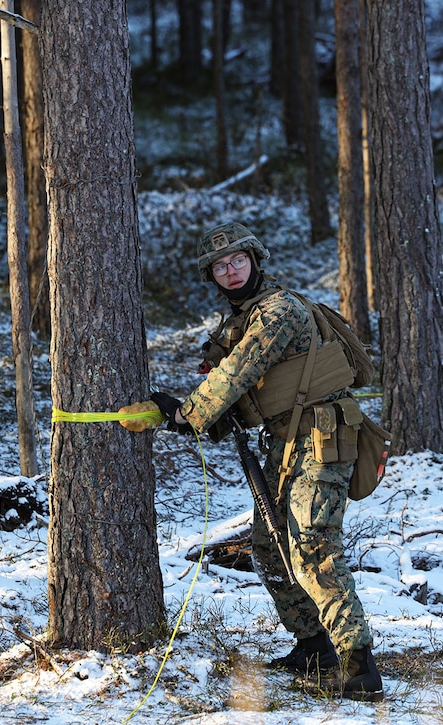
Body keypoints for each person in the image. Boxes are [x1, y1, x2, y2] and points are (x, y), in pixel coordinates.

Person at [150, 221, 384, 702]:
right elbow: (241, 392)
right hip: (283, 444)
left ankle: (359, 664)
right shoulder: (239, 321)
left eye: (238, 261)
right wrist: (192, 414)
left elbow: (238, 373)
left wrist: (187, 414)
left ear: (256, 261)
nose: (231, 271)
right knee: (269, 546)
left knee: (313, 545)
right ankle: (314, 646)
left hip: (322, 437)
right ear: (211, 276)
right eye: (220, 266)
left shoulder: (277, 311)